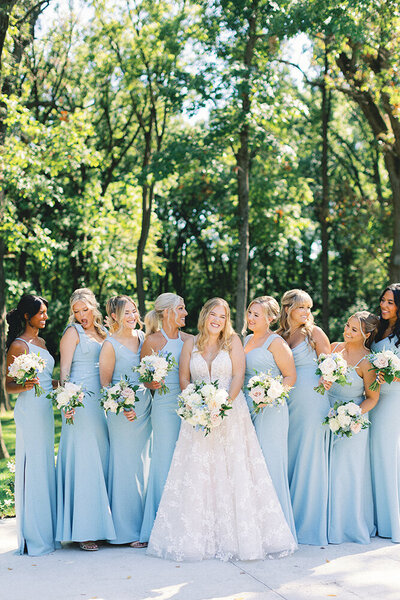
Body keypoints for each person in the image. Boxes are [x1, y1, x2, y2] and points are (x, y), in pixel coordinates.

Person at [147, 298, 297, 561]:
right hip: (196, 415)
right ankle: (199, 538)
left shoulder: (234, 341)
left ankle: (238, 538)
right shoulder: (190, 343)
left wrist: (222, 406)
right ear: (205, 315)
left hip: (230, 412)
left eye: (223, 316)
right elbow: (184, 378)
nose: (217, 320)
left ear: (227, 320)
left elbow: (238, 375)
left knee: (233, 473)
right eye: (213, 314)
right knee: (199, 473)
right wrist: (196, 404)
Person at [56, 288, 115, 551]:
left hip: (102, 403)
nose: (81, 316)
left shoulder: (103, 333)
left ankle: (101, 525)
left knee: (100, 459)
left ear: (94, 307)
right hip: (79, 403)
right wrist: (66, 403)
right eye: (76, 311)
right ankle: (83, 530)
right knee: (85, 461)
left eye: (85, 310)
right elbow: (65, 372)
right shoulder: (72, 333)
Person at [277, 289, 331, 545]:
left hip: (311, 398)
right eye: (302, 308)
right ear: (288, 309)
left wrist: (327, 378)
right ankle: (286, 518)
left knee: (308, 454)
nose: (307, 313)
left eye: (309, 308)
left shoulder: (314, 333)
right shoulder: (278, 336)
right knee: (289, 453)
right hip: (286, 401)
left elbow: (330, 365)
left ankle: (308, 523)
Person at [6, 294, 57, 555]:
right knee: (34, 465)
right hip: (30, 410)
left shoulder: (43, 342)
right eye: (41, 313)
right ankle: (35, 537)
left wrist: (65, 388)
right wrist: (24, 384)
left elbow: (48, 379)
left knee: (46, 464)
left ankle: (49, 530)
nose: (45, 317)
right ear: (28, 316)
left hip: (46, 408)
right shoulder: (18, 346)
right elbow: (8, 385)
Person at [322, 311, 379, 544]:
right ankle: (326, 524)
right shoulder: (334, 349)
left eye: (354, 329)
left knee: (348, 474)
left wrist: (352, 414)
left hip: (353, 421)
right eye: (347, 325)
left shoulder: (368, 362)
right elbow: (323, 378)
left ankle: (348, 526)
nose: (347, 331)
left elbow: (372, 398)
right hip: (328, 416)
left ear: (366, 334)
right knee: (328, 472)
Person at [99, 295, 151, 547]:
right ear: (114, 317)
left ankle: (143, 526)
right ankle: (125, 531)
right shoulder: (109, 345)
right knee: (125, 466)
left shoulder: (143, 338)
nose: (132, 316)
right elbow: (105, 383)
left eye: (134, 311)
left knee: (143, 465)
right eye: (126, 313)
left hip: (145, 407)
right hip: (122, 412)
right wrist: (123, 406)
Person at [243, 296, 297, 539]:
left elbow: (290, 377)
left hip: (271, 410)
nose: (251, 317)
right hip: (246, 408)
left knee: (270, 465)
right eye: (250, 313)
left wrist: (271, 394)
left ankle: (277, 533)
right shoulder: (245, 340)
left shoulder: (276, 342)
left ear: (271, 318)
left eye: (257, 314)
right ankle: (255, 528)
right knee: (251, 466)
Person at [139, 293, 191, 543]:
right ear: (167, 312)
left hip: (190, 407)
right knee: (164, 461)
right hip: (163, 406)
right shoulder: (152, 341)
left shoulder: (191, 340)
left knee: (187, 461)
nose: (185, 313)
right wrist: (152, 381)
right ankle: (159, 526)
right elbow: (144, 378)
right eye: (181, 308)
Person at [370, 283, 400, 542]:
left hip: (393, 400)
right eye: (383, 300)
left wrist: (393, 373)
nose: (384, 306)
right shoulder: (376, 329)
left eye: (390, 302)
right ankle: (376, 519)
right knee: (374, 456)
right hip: (373, 398)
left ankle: (393, 522)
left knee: (388, 455)